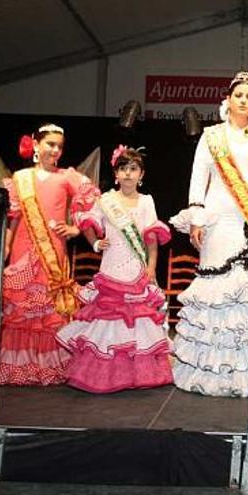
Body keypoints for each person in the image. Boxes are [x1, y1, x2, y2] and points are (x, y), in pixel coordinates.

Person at [170, 71, 248, 397]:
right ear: (228, 99)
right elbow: (198, 178)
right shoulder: (211, 136)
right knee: (216, 292)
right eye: (238, 94)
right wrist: (196, 218)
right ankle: (212, 373)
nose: (244, 100)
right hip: (218, 221)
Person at [56, 146, 173, 393]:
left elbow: (151, 237)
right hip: (111, 268)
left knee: (138, 324)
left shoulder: (147, 201)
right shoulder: (106, 200)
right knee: (107, 322)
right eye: (123, 169)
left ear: (141, 175)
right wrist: (96, 242)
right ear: (116, 174)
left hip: (137, 269)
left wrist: (151, 267)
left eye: (133, 169)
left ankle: (137, 375)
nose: (128, 174)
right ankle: (105, 376)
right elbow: (87, 222)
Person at [0, 123, 98, 386]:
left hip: (53, 248)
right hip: (22, 249)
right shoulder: (20, 178)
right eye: (50, 144)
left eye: (59, 146)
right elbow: (14, 218)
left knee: (50, 308)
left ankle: (50, 366)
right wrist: (6, 247)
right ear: (36, 144)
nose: (55, 150)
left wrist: (76, 229)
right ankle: (19, 367)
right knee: (20, 308)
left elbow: (93, 205)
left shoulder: (67, 177)